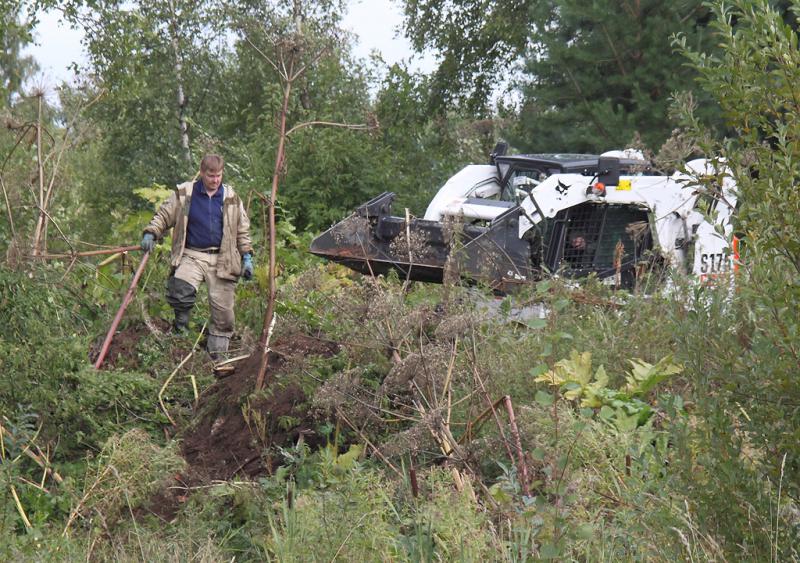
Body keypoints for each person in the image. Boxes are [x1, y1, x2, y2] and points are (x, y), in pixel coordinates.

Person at [140, 154, 253, 357]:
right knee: (180, 290)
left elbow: (242, 230)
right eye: (211, 176)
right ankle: (180, 338)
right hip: (192, 254)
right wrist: (151, 232)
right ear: (202, 173)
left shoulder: (231, 198)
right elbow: (164, 215)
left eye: (218, 175)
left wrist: (246, 257)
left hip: (223, 258)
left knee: (224, 316)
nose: (215, 180)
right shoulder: (185, 193)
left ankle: (217, 357)